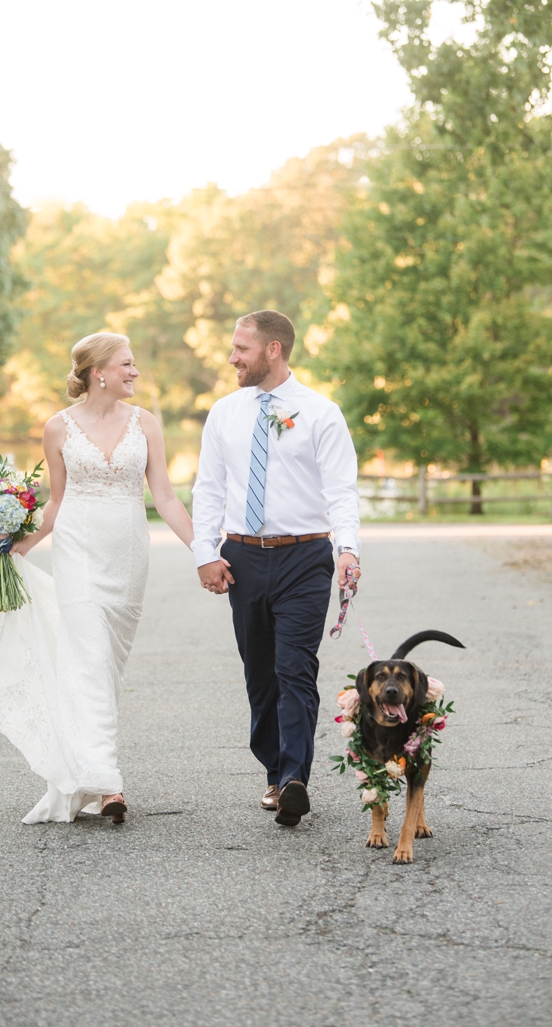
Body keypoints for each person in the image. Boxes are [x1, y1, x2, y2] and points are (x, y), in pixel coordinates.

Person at [0, 332, 195, 824]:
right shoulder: (58, 428)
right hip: (77, 554)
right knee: (88, 660)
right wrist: (18, 545)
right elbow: (56, 501)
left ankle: (91, 767)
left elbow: (164, 496)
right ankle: (108, 784)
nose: (135, 372)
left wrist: (206, 549)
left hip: (127, 557)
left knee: (106, 668)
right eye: (127, 364)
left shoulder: (146, 424)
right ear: (98, 371)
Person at [191, 310, 362, 828]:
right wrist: (205, 552)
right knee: (260, 675)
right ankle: (273, 770)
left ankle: (294, 780)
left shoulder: (321, 412)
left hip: (305, 557)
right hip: (242, 556)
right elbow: (209, 489)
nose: (231, 357)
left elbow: (340, 490)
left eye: (241, 348)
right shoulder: (224, 412)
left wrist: (347, 549)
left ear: (273, 350)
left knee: (295, 669)